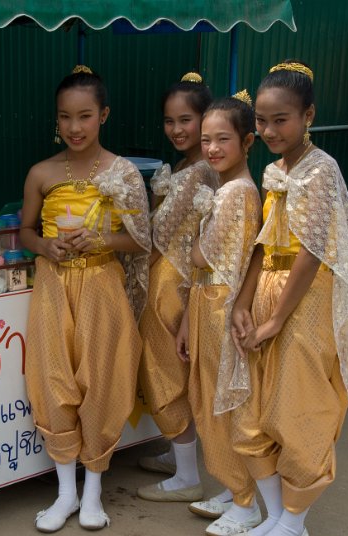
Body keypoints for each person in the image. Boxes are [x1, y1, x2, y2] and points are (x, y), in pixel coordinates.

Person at [229, 61, 348, 536]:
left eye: (280, 120)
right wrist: (244, 305)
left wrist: (274, 323)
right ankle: (275, 516)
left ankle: (294, 521)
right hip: (269, 290)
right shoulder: (273, 170)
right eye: (262, 122)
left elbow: (310, 254)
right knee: (252, 410)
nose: (268, 130)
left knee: (298, 407)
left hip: (306, 301)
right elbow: (261, 245)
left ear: (308, 115)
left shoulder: (322, 170)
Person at [20, 65, 151, 532]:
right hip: (54, 287)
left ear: (103, 116)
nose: (74, 127)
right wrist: (44, 246)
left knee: (101, 381)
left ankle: (93, 492)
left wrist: (102, 240)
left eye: (85, 116)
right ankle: (65, 493)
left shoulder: (124, 172)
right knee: (52, 380)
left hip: (101, 286)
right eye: (65, 117)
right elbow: (25, 230)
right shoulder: (41, 172)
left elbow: (142, 240)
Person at [176, 92, 263, 536]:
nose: (211, 148)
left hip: (221, 305)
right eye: (206, 139)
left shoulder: (235, 194)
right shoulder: (228, 190)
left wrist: (193, 243)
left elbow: (199, 256)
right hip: (206, 304)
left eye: (222, 139)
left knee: (223, 403)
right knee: (211, 397)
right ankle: (233, 487)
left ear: (248, 141)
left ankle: (246, 503)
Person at [135, 72, 216, 504]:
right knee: (174, 372)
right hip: (175, 280)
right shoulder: (189, 166)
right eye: (169, 121)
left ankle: (187, 476)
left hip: (173, 284)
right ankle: (179, 456)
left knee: (166, 370)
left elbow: (155, 234)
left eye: (186, 119)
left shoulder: (198, 171)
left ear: (206, 118)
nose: (177, 129)